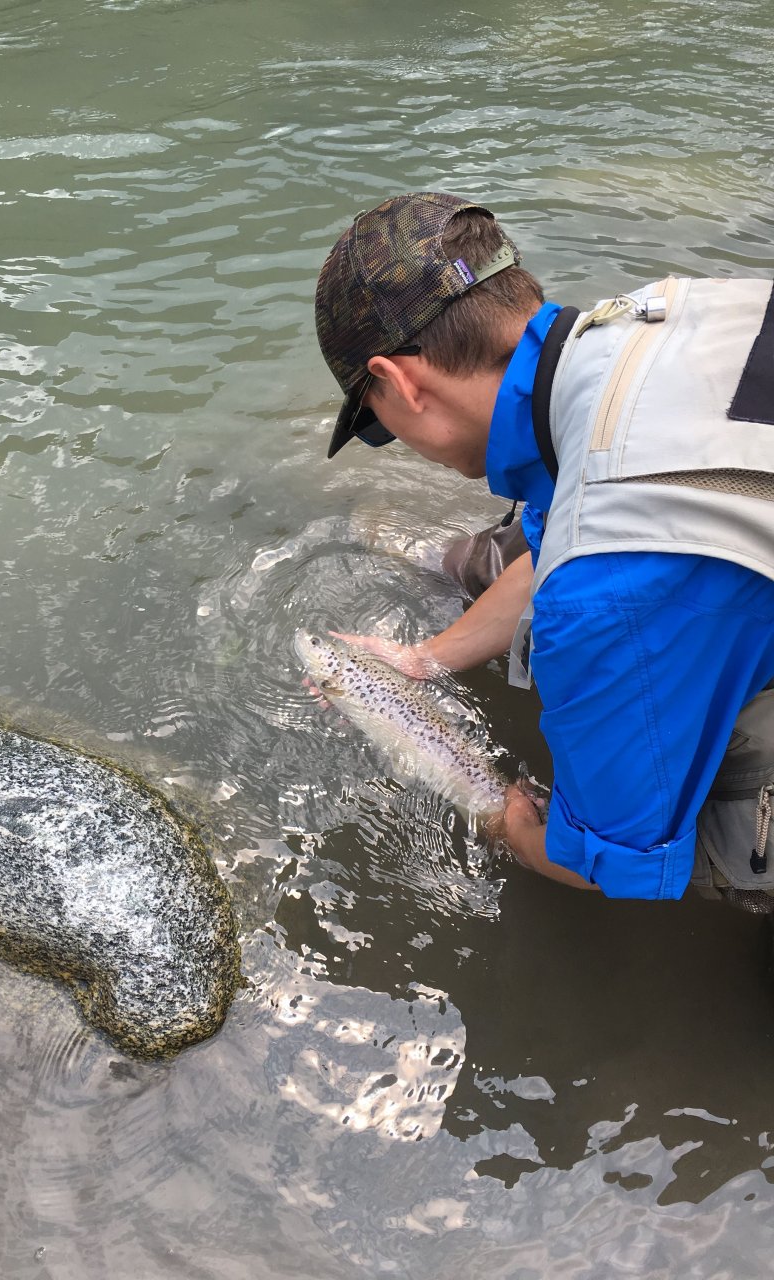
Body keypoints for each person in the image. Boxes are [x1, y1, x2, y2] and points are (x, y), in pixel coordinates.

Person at [314, 191, 774, 908]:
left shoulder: (603, 596)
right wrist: (420, 661)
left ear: (398, 381)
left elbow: (607, 864)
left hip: (657, 593)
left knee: (684, 825)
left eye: (377, 427)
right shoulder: (650, 320)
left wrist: (501, 821)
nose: (390, 440)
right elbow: (554, 547)